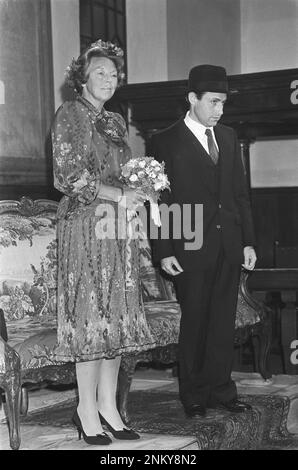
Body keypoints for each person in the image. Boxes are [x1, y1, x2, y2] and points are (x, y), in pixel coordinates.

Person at [51, 39, 155, 445]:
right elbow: (68, 176)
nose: (109, 80)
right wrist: (118, 196)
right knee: (92, 317)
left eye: (113, 74)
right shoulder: (70, 115)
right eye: (100, 73)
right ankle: (86, 411)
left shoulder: (114, 120)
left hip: (118, 227)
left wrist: (141, 187)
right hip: (84, 225)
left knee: (117, 318)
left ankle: (109, 406)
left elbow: (124, 172)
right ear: (82, 78)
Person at [150, 64, 257, 418]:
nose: (219, 110)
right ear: (192, 98)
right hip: (189, 246)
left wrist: (248, 242)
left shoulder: (227, 137)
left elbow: (240, 195)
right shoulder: (165, 141)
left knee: (222, 322)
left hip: (229, 246)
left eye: (223, 103)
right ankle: (194, 395)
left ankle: (221, 391)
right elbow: (158, 203)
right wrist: (163, 250)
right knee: (195, 321)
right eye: (213, 102)